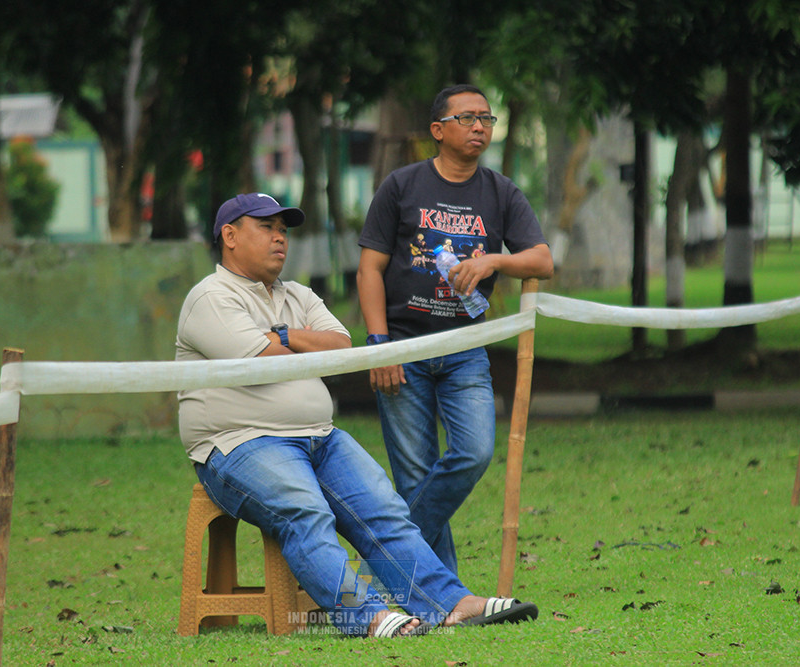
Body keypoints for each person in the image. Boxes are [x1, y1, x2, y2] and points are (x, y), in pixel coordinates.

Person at [176, 192, 538, 637]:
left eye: (283, 230)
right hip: (240, 444)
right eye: (266, 227)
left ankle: (452, 604)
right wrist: (296, 342)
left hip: (320, 437)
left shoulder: (298, 294)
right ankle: (369, 617)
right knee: (305, 513)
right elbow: (261, 358)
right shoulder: (210, 297)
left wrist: (284, 335)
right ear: (230, 236)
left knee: (386, 511)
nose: (280, 238)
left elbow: (342, 347)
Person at [356, 85, 554, 573]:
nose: (479, 126)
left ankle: (388, 555)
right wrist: (379, 346)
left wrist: (493, 261)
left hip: (466, 347)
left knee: (475, 452)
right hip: (402, 347)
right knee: (414, 476)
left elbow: (542, 260)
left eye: (486, 118)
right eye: (467, 118)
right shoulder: (401, 186)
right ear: (438, 130)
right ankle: (441, 593)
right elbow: (369, 270)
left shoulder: (501, 192)